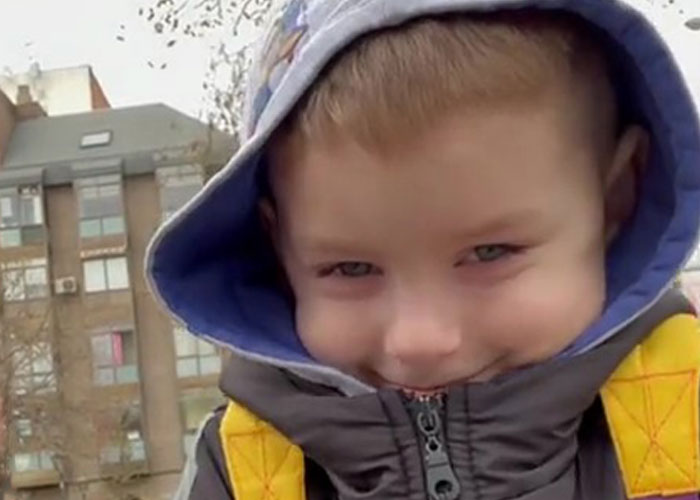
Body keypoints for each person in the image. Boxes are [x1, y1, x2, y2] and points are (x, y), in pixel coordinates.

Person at [146, 0, 700, 498]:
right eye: (351, 268)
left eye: (490, 253)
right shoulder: (242, 470)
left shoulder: (687, 411)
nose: (420, 341)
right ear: (282, 250)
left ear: (616, 198)